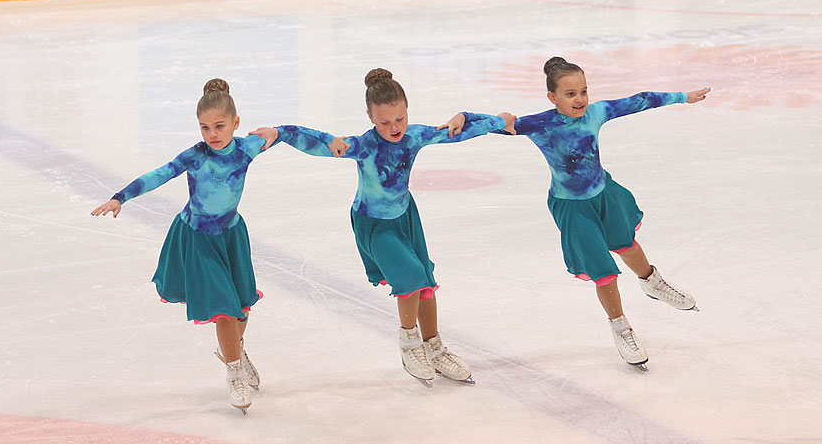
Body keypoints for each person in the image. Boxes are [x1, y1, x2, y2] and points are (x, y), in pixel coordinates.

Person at [252, 68, 516, 387]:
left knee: (425, 283)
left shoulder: (415, 136)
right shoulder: (364, 146)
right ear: (370, 116)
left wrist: (492, 119)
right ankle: (409, 344)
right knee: (409, 278)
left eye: (400, 119)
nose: (394, 128)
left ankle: (433, 347)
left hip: (405, 216)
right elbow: (318, 142)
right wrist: (279, 132)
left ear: (407, 110)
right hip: (374, 222)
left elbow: (460, 131)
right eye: (385, 122)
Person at [90, 78, 313, 413]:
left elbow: (286, 135)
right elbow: (158, 175)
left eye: (219, 126)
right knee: (224, 305)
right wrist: (120, 197)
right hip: (198, 238)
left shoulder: (246, 148)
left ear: (235, 124)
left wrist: (277, 131)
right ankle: (234, 372)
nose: (212, 134)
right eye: (205, 127)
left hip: (232, 234)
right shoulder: (195, 157)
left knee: (242, 303)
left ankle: (234, 348)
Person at [499, 56, 710, 370]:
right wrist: (492, 120)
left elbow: (640, 101)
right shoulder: (540, 123)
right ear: (552, 97)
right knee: (604, 271)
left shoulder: (596, 112)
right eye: (570, 94)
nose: (580, 99)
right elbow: (500, 128)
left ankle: (652, 282)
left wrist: (683, 97)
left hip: (604, 193)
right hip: (572, 206)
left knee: (626, 244)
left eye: (583, 91)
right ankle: (621, 327)